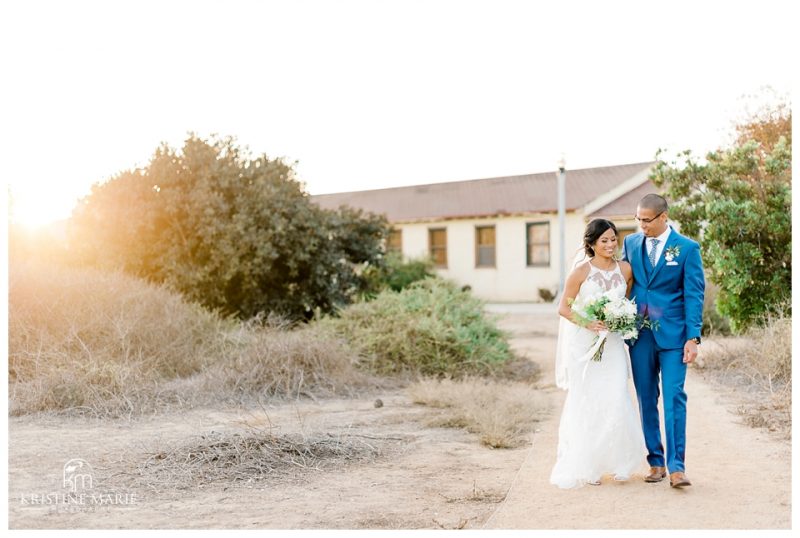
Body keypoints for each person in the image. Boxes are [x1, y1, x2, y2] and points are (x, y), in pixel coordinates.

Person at [550, 219, 646, 489]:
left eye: (613, 239)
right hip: (585, 345)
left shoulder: (625, 269)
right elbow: (564, 308)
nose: (610, 245)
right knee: (588, 401)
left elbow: (626, 301)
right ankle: (589, 464)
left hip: (613, 344)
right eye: (604, 240)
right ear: (591, 243)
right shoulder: (581, 272)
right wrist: (589, 322)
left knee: (616, 397)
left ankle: (620, 463)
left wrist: (620, 319)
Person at [621, 194, 704, 488]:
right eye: (638, 220)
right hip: (639, 334)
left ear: (663, 217)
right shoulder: (630, 244)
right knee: (645, 398)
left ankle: (677, 467)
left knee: (673, 397)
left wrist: (693, 337)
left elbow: (694, 293)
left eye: (647, 220)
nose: (642, 226)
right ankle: (655, 462)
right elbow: (623, 282)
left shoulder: (687, 248)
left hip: (673, 336)